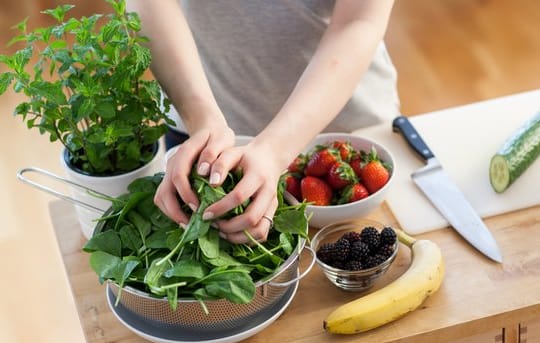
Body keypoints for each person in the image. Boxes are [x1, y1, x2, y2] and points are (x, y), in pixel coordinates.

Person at [127, 0, 400, 244]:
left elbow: (360, 20)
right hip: (201, 122)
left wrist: (275, 149)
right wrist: (201, 119)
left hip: (342, 138)